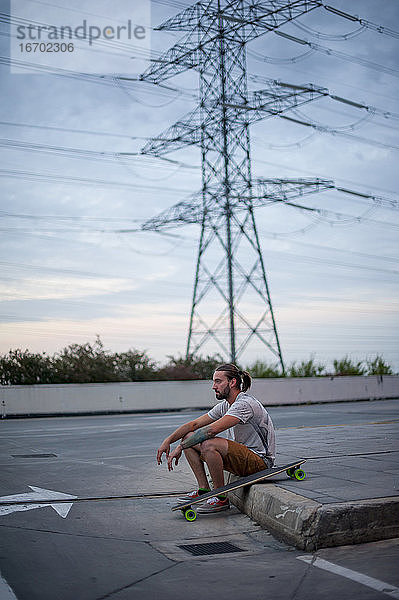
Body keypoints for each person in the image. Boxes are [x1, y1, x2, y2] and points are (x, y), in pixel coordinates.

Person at [156, 363, 275, 513]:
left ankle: (220, 498)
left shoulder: (244, 404)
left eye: (218, 381)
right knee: (189, 436)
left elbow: (211, 430)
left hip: (260, 462)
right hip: (243, 458)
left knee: (208, 444)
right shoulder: (227, 405)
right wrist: (168, 441)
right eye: (214, 381)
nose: (213, 386)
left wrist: (180, 447)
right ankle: (204, 490)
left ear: (232, 382)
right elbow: (194, 424)